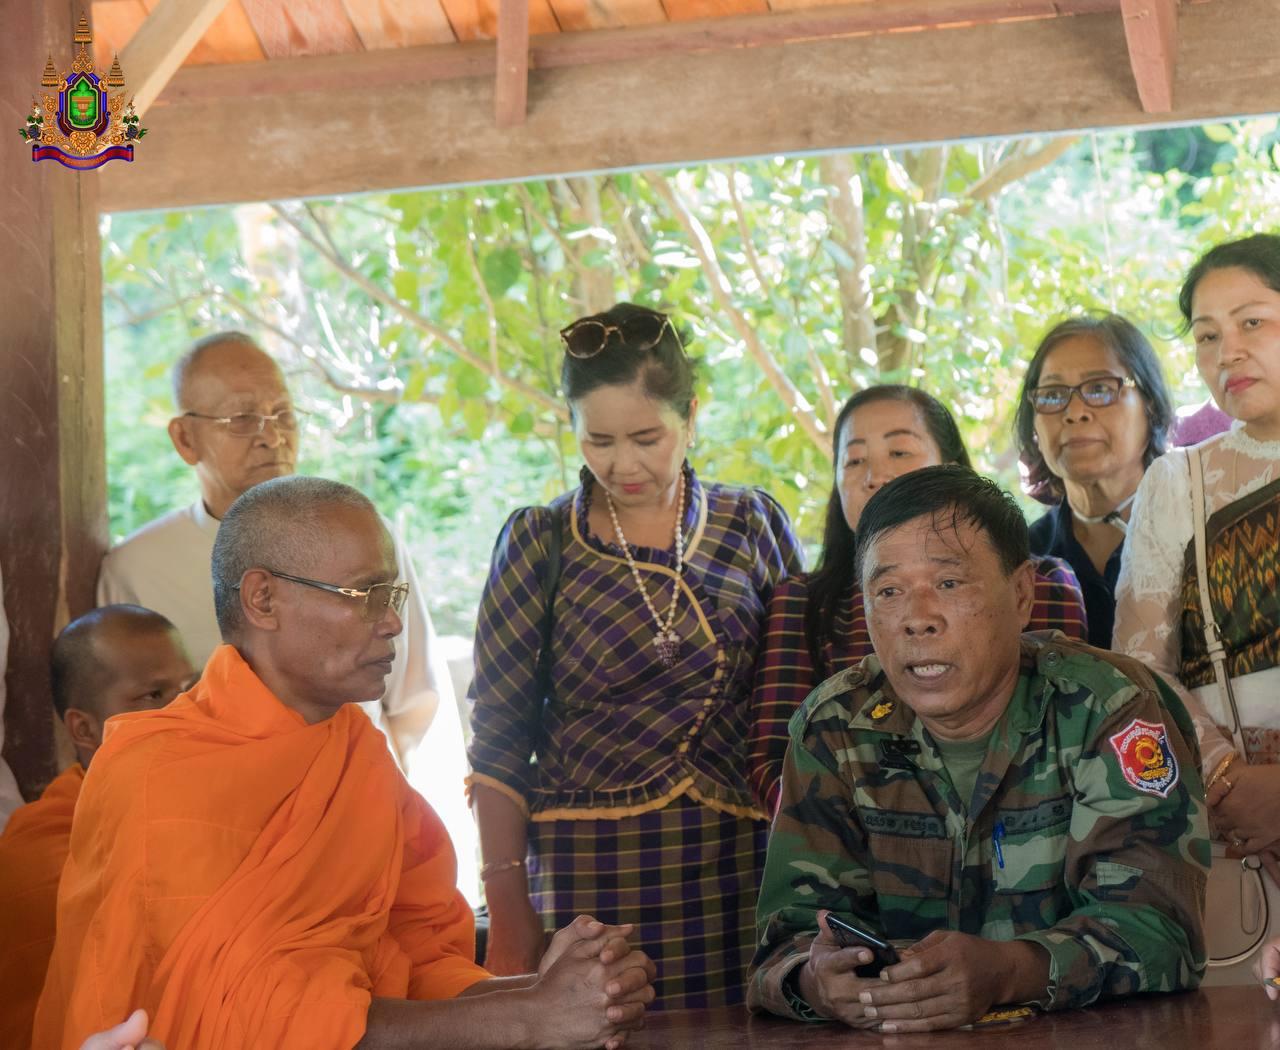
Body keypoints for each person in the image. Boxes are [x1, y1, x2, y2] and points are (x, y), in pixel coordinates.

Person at [33, 476, 654, 1050]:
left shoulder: (355, 754)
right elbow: (256, 1016)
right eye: (366, 594)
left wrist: (551, 990)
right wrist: (528, 1016)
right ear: (263, 599)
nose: (392, 623)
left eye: (393, 593)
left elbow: (416, 959)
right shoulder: (158, 774)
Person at [749, 465, 1208, 1032]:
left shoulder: (1106, 708)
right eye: (889, 592)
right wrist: (815, 981)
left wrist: (1013, 970)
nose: (917, 619)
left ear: (1021, 595)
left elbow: (1162, 932)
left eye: (948, 583)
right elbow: (784, 941)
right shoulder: (835, 728)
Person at [467, 303, 803, 1009]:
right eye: (599, 441)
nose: (624, 464)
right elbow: (499, 735)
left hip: (737, 865)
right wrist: (508, 904)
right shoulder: (541, 542)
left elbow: (797, 704)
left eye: (647, 437)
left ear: (692, 416)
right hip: (587, 874)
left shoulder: (750, 523)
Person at [95, 331, 447, 769]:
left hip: (355, 787)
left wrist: (376, 788)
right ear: (185, 439)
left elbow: (415, 704)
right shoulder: (137, 569)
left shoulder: (368, 539)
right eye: (242, 418)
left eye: (283, 414)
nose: (272, 437)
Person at [750, 385, 1088, 813]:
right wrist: (876, 828)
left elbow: (1069, 731)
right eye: (854, 460)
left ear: (951, 467)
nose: (875, 476)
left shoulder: (1042, 584)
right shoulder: (801, 602)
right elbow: (774, 760)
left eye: (899, 452)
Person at [1114, 234, 1280, 880]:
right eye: (1207, 335)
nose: (1226, 352)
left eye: (1252, 323)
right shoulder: (1179, 482)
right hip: (1236, 833)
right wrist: (1232, 783)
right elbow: (1138, 670)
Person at [0, 606, 195, 1049]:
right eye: (153, 695)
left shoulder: (207, 807)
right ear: (85, 728)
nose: (186, 710)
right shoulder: (45, 851)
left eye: (190, 688)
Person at [1014, 313, 1175, 650]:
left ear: (1150, 406)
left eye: (1100, 388)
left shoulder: (1199, 527)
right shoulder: (1023, 560)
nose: (1075, 412)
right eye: (1052, 394)